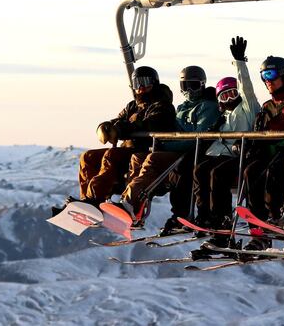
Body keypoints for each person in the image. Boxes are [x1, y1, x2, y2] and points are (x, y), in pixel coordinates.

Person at [110, 65, 220, 230]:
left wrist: (164, 143)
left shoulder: (208, 107)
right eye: (185, 86)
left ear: (202, 85)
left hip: (190, 152)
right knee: (138, 157)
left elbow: (196, 136)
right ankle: (134, 209)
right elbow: (173, 130)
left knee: (154, 159)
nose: (190, 90)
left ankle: (130, 204)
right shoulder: (182, 107)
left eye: (194, 85)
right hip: (176, 149)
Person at [71, 66, 176, 210]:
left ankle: (94, 199)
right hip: (128, 149)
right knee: (88, 156)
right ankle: (86, 200)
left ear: (154, 83)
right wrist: (106, 126)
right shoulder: (133, 105)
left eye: (144, 82)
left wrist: (121, 129)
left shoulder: (162, 105)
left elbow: (148, 124)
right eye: (136, 83)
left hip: (146, 149)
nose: (140, 87)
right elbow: (118, 119)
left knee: (111, 155)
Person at [190, 37, 260, 252]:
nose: (230, 97)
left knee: (216, 174)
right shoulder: (222, 118)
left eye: (233, 93)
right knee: (200, 170)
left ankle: (222, 220)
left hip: (238, 157)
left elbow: (247, 87)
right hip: (220, 155)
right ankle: (205, 217)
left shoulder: (247, 108)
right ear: (219, 99)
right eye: (225, 94)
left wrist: (240, 62)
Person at [242, 56, 284, 251]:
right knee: (251, 172)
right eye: (264, 76)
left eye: (271, 75)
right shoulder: (267, 106)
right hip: (267, 152)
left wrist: (273, 140)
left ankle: (274, 217)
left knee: (273, 171)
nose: (268, 81)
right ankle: (258, 228)